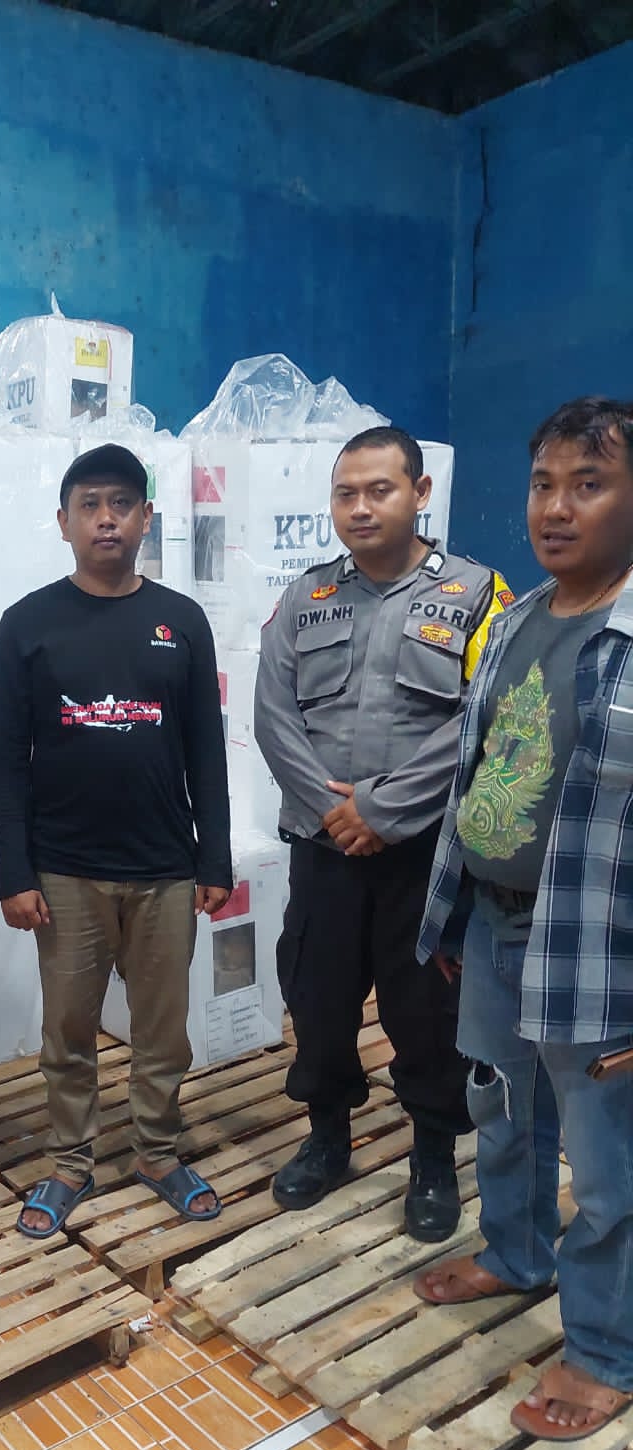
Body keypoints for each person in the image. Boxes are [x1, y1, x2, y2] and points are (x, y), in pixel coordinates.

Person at [414, 397, 633, 1442]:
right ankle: (515, 1253)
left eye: (589, 484)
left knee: (608, 1165)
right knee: (500, 1109)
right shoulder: (513, 619)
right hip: (497, 929)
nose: (556, 507)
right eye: (544, 483)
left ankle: (604, 1351)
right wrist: (454, 910)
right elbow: (483, 771)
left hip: (600, 954)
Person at [254, 426, 511, 1241]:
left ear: (420, 492)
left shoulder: (478, 595)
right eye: (346, 494)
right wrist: (337, 816)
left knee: (425, 1013)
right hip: (324, 853)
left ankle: (432, 1155)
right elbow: (273, 716)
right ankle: (327, 1136)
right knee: (318, 1002)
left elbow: (485, 717)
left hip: (424, 860)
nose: (360, 508)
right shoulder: (305, 598)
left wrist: (385, 811)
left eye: (380, 490)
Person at [0, 442, 233, 1237]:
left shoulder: (182, 622)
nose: (106, 519)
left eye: (122, 504)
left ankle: (157, 1152)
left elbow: (206, 751)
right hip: (65, 872)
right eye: (89, 504)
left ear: (145, 518)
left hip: (165, 868)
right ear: (63, 522)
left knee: (163, 1032)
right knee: (68, 1032)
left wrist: (214, 856)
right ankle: (69, 1163)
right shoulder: (26, 626)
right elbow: (9, 764)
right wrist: (15, 872)